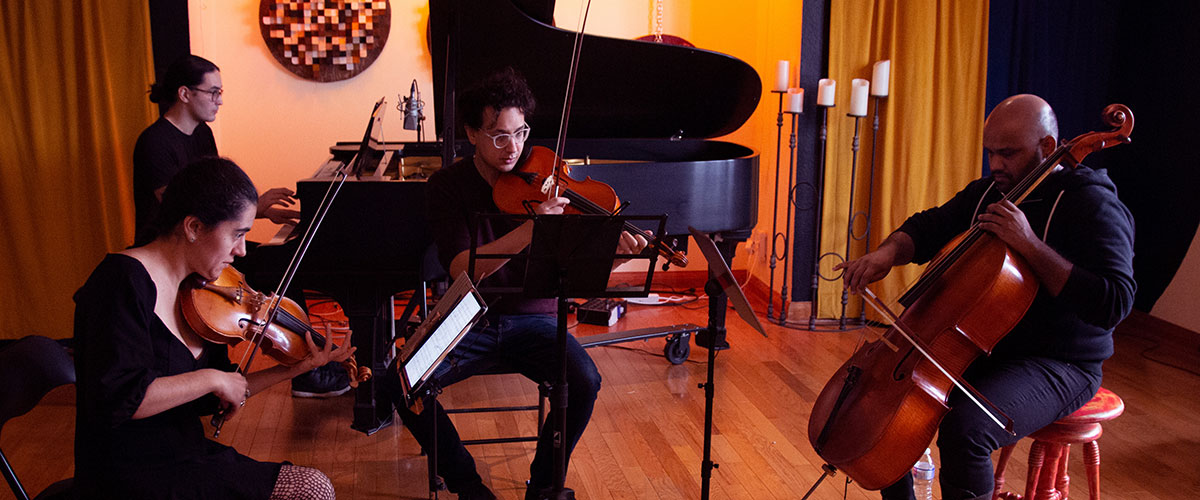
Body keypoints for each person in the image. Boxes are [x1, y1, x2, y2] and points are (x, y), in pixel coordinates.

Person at [834, 94, 1136, 500]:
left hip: (1062, 362)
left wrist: (1029, 244)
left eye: (1008, 153)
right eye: (990, 152)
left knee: (966, 429)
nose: (996, 165)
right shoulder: (991, 191)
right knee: (891, 408)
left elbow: (1114, 302)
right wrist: (887, 253)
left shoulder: (1091, 202)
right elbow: (930, 226)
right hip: (989, 349)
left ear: (1047, 148)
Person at [379, 68, 648, 500]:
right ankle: (468, 486)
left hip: (533, 318)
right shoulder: (446, 186)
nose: (514, 147)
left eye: (520, 132)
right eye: (498, 135)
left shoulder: (546, 180)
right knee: (399, 381)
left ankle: (543, 487)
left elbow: (572, 276)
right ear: (472, 133)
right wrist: (531, 228)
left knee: (585, 381)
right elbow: (464, 269)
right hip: (469, 319)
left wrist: (615, 258)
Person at [73, 157, 350, 499]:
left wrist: (298, 367)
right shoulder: (119, 283)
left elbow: (217, 395)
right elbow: (121, 400)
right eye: (237, 234)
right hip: (129, 475)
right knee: (312, 490)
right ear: (193, 227)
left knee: (313, 486)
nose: (241, 250)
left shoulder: (199, 293)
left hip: (186, 457)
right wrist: (212, 379)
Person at [133, 54, 349, 398]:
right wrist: (251, 212)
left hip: (204, 242)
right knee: (279, 270)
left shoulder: (201, 134)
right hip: (177, 250)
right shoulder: (155, 143)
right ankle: (305, 373)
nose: (219, 100)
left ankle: (309, 360)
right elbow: (183, 210)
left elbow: (214, 200)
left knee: (288, 261)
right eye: (213, 92)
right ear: (185, 93)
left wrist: (256, 212)